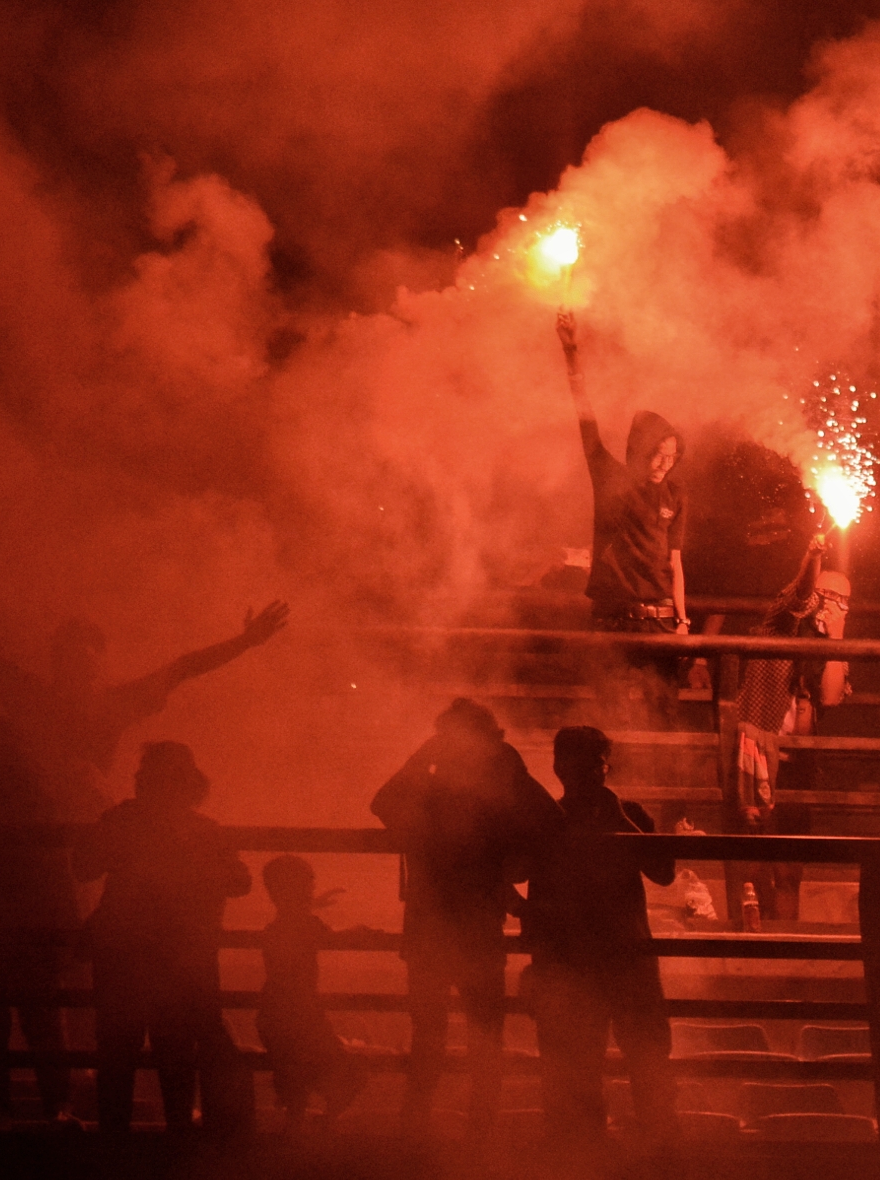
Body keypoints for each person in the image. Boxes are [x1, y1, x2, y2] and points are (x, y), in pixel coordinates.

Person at [371, 698, 561, 1138]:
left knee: (447, 1035)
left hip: (443, 928)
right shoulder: (457, 792)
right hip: (460, 928)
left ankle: (425, 1126)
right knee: (472, 1034)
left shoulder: (454, 793)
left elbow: (383, 803)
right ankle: (468, 1128)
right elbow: (549, 819)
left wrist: (427, 756)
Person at [0, 604, 289, 818]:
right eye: (69, 659)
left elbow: (184, 667)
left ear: (98, 665)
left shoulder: (112, 705)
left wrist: (244, 642)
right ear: (57, 661)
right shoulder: (31, 696)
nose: (77, 669)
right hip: (26, 817)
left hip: (86, 814)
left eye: (85, 660)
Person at [75, 742, 253, 1135]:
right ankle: (177, 1141)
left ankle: (116, 1144)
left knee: (120, 1049)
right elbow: (240, 882)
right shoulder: (202, 831)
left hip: (129, 953)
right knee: (172, 1051)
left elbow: (84, 865)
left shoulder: (125, 822)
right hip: (181, 956)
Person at [522, 726, 678, 1146]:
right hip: (581, 964)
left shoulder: (630, 814)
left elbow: (664, 873)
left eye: (600, 763)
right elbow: (519, 874)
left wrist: (621, 819)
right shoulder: (547, 821)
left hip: (623, 958)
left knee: (647, 1062)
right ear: (560, 767)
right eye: (589, 763)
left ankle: (658, 1155)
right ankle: (589, 1155)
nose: (596, 773)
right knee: (578, 1068)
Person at [556, 313, 690, 718]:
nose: (664, 464)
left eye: (672, 457)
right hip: (613, 620)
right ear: (639, 448)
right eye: (657, 454)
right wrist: (571, 353)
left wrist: (682, 620)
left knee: (663, 716)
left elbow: (675, 563)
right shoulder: (610, 477)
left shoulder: (676, 494)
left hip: (662, 620)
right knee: (610, 716)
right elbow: (586, 422)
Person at [0, 715, 79, 1127]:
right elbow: (58, 866)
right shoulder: (33, 793)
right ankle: (55, 1107)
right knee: (39, 1021)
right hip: (25, 922)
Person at [728, 533, 850, 927]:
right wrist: (813, 555)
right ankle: (752, 942)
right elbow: (800, 595)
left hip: (797, 763)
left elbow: (831, 699)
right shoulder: (782, 620)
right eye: (830, 597)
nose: (836, 606)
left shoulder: (831, 644)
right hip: (759, 752)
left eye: (845, 601)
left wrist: (836, 635)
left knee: (790, 869)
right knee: (754, 862)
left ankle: (788, 942)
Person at [254, 855, 367, 1130]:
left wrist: (312, 906)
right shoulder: (307, 925)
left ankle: (295, 1136)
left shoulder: (275, 928)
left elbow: (292, 919)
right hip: (303, 1014)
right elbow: (330, 937)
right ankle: (322, 1126)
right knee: (348, 1074)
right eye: (308, 884)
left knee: (294, 1079)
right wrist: (362, 933)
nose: (312, 889)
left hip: (273, 1014)